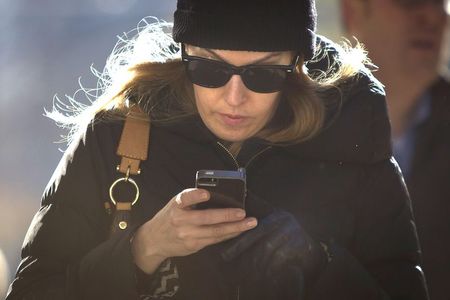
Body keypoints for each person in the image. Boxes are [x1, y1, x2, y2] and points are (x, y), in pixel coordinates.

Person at [6, 0, 429, 299]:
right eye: (209, 69)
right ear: (182, 56)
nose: (233, 97)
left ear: (296, 68)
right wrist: (142, 250)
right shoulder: (114, 139)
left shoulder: (353, 148)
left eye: (263, 75)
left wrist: (319, 265)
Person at [340, 1, 450, 299]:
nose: (434, 17)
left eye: (441, 4)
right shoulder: (298, 130)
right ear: (353, 12)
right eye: (411, 2)